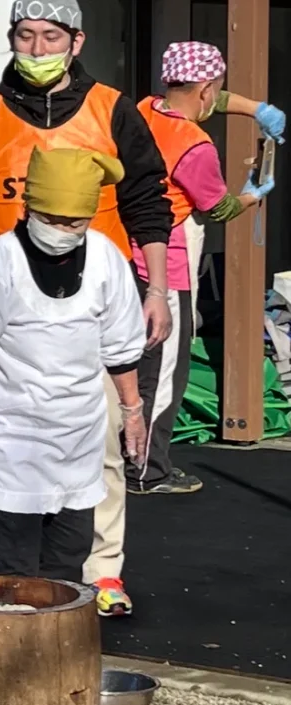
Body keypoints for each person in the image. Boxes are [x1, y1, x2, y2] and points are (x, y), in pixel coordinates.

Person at [0, 0, 173, 617]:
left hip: (96, 290)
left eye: (50, 37)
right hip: (12, 296)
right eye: (26, 37)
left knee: (103, 440)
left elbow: (148, 199)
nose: (37, 49)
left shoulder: (111, 109)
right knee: (15, 427)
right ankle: (20, 571)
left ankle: (101, 567)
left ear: (76, 40)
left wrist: (157, 288)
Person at [0, 146, 148, 583]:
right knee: (14, 566)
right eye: (50, 219)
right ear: (29, 207)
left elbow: (121, 348)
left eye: (74, 222)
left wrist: (133, 412)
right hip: (13, 434)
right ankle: (12, 648)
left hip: (78, 433)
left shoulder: (107, 260)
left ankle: (57, 649)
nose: (61, 230)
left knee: (68, 560)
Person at [126, 41, 285, 495]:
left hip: (126, 255)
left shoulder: (145, 110)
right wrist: (256, 193)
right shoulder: (195, 146)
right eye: (216, 90)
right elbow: (219, 208)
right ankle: (147, 470)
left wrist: (256, 108)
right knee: (162, 371)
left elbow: (202, 98)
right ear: (207, 88)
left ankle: (130, 459)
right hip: (168, 264)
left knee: (133, 365)